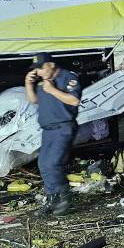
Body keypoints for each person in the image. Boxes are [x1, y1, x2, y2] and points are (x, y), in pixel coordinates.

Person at [25, 53, 83, 217]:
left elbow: (74, 100)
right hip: (47, 130)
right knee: (43, 164)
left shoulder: (68, 77)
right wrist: (28, 85)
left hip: (63, 128)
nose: (39, 72)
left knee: (53, 164)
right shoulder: (43, 82)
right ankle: (52, 199)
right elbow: (34, 100)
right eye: (36, 70)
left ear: (51, 64)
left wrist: (52, 90)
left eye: (41, 68)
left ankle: (65, 198)